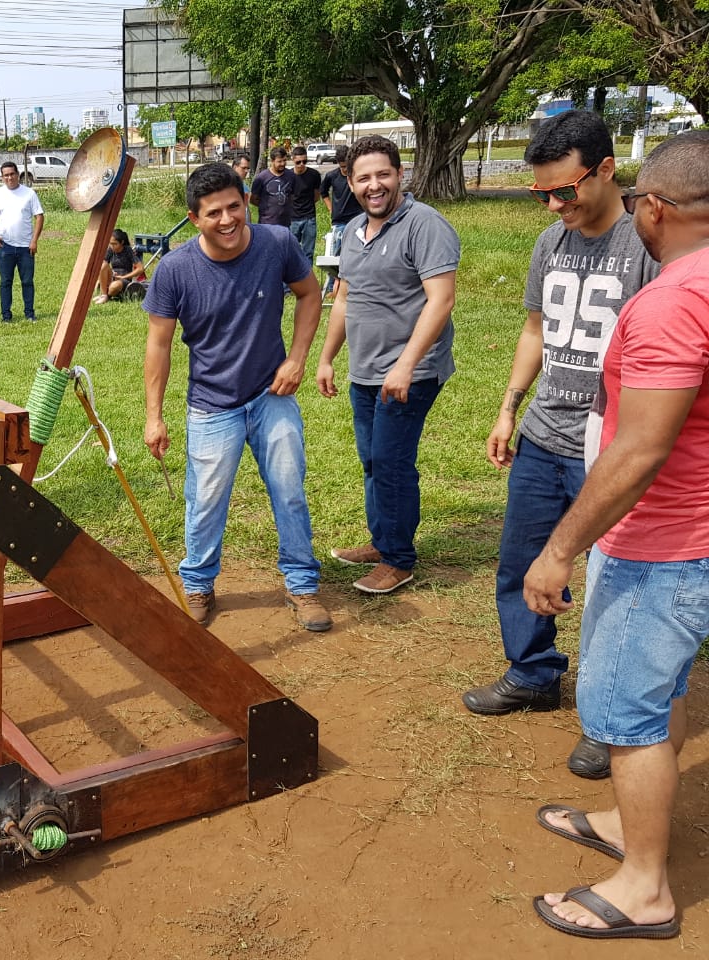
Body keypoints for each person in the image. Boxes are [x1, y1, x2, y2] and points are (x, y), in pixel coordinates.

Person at [523, 129, 709, 942]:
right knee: (663, 689)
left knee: (626, 710)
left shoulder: (671, 300)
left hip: (661, 546)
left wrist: (560, 547)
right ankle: (628, 828)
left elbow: (638, 449)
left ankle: (644, 888)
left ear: (654, 208)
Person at [461, 111, 659, 783]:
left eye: (564, 191)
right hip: (545, 436)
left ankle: (610, 717)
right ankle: (533, 672)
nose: (553, 205)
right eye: (540, 194)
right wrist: (508, 407)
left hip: (613, 446)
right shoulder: (552, 242)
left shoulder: (649, 247)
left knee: (613, 583)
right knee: (522, 562)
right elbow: (534, 331)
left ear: (606, 169)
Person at [143, 162, 331, 633]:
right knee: (205, 500)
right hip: (210, 403)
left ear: (245, 201)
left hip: (271, 394)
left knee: (289, 490)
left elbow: (311, 295)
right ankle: (199, 584)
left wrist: (298, 358)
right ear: (193, 218)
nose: (227, 220)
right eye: (213, 213)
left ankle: (303, 585)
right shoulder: (175, 269)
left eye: (233, 207)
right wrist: (154, 416)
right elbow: (158, 345)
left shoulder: (277, 243)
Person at [316, 135, 460, 594]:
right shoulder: (353, 231)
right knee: (373, 461)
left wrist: (405, 364)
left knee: (392, 462)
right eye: (363, 178)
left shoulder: (425, 225)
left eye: (383, 175)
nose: (374, 185)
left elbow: (441, 300)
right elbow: (344, 299)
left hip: (409, 373)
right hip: (365, 371)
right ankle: (383, 541)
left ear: (400, 175)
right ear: (349, 181)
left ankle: (398, 559)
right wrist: (326, 358)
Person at [0, 162, 44, 322]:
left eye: (12, 174)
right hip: (5, 247)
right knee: (5, 282)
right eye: (6, 175)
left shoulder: (29, 193)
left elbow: (39, 216)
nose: (9, 177)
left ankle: (30, 313)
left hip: (26, 247)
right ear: (2, 177)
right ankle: (6, 316)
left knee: (27, 281)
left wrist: (34, 240)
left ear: (18, 174)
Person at [319, 145, 360, 297]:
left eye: (347, 166)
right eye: (342, 166)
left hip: (357, 219)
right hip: (339, 221)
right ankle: (331, 287)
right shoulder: (331, 176)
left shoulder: (357, 175)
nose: (345, 169)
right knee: (335, 256)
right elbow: (323, 192)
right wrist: (330, 208)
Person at [288, 145, 322, 263]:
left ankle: (307, 279)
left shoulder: (314, 175)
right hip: (292, 219)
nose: (301, 164)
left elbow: (316, 196)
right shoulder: (287, 176)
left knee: (308, 252)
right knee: (291, 252)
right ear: (293, 160)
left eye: (304, 161)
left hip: (309, 218)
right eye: (298, 162)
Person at [93, 229, 145, 304]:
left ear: (122, 242)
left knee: (114, 287)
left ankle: (107, 294)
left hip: (124, 280)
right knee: (103, 264)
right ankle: (104, 295)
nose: (112, 246)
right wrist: (112, 273)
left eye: (115, 244)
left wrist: (123, 277)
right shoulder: (111, 249)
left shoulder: (128, 250)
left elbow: (140, 269)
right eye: (111, 244)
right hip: (113, 277)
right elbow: (103, 265)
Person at [249, 147, 296, 227]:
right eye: (279, 161)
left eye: (284, 160)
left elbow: (292, 196)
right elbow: (253, 199)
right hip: (266, 223)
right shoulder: (262, 178)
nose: (282, 164)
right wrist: (267, 206)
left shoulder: (291, 176)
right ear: (272, 161)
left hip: (286, 223)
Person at [231, 152, 253, 222]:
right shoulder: (227, 186)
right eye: (243, 168)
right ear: (235, 167)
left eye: (248, 168)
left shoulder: (244, 185)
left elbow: (247, 208)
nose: (246, 171)